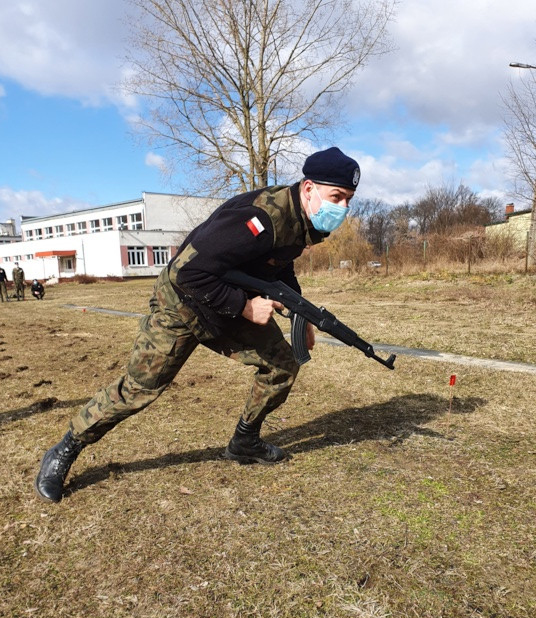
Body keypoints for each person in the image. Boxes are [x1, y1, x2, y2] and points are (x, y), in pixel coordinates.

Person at [35, 147, 361, 502]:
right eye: (337, 197)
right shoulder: (260, 218)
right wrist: (246, 307)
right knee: (138, 389)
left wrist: (302, 313)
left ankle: (244, 440)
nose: (342, 208)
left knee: (282, 364)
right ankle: (66, 448)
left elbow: (278, 265)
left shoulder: (299, 220)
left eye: (349, 200)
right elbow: (186, 273)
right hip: (181, 305)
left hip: (225, 306)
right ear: (310, 188)